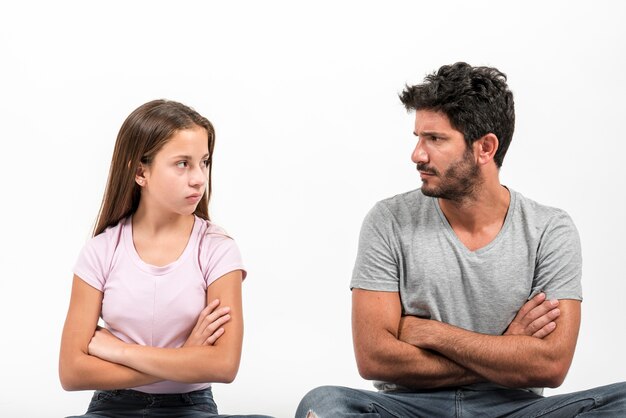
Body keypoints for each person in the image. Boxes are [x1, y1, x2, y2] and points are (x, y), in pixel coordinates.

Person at [296, 63, 626, 417]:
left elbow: (551, 366)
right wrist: (508, 350)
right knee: (324, 404)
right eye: (418, 138)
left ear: (485, 148)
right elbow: (374, 357)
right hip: (409, 407)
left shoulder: (549, 230)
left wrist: (433, 334)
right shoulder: (389, 221)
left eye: (435, 139)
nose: (417, 154)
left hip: (515, 408)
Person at [59, 99, 272, 418]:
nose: (199, 178)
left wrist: (120, 351)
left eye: (204, 162)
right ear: (140, 171)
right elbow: (72, 372)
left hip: (192, 406)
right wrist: (185, 358)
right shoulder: (101, 250)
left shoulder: (216, 248)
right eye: (183, 163)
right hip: (112, 407)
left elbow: (224, 365)